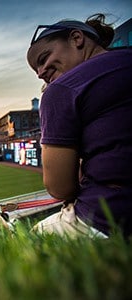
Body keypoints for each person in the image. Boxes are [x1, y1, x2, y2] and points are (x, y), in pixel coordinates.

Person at [26, 14, 132, 238]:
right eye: (36, 69)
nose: (41, 72)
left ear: (77, 38)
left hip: (112, 216)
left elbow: (60, 188)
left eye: (43, 58)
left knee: (33, 236)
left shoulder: (62, 89)